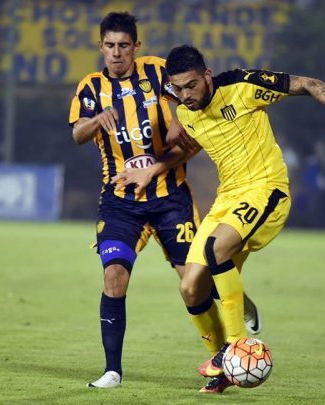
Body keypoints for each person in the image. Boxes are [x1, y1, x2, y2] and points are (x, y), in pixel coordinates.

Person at [112, 44, 325, 393]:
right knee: (190, 287)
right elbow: (189, 146)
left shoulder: (241, 86)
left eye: (191, 85)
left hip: (266, 189)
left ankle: (235, 347)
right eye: (177, 89)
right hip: (228, 198)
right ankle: (224, 369)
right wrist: (154, 168)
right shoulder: (186, 111)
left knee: (215, 250)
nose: (185, 95)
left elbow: (310, 84)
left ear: (207, 75)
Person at [69, 13, 261, 389]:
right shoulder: (91, 88)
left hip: (170, 197)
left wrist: (177, 125)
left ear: (136, 47)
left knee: (194, 281)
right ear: (101, 47)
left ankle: (231, 342)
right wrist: (98, 121)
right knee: (114, 276)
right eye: (109, 45)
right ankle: (112, 370)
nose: (117, 53)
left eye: (124, 45)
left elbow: (192, 113)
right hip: (120, 201)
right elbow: (78, 133)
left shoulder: (157, 73)